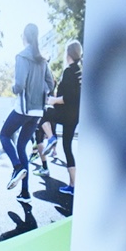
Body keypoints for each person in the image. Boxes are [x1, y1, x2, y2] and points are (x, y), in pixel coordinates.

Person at [0, 22, 52, 200]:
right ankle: (25, 192)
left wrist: (13, 88)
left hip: (23, 109)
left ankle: (17, 167)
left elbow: (19, 85)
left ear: (25, 36)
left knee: (4, 135)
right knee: (21, 146)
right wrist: (40, 92)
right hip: (37, 112)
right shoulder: (43, 59)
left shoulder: (22, 56)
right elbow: (50, 83)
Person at [41, 39, 81, 195]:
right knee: (67, 148)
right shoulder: (79, 71)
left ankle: (51, 138)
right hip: (74, 116)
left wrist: (53, 100)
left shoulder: (69, 71)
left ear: (68, 54)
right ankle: (73, 185)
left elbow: (69, 97)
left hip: (66, 114)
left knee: (43, 114)